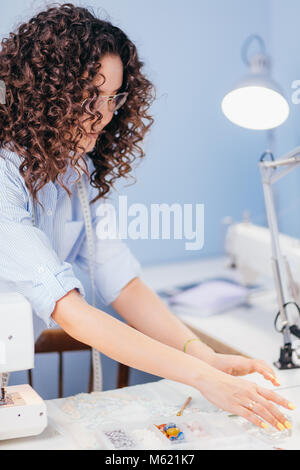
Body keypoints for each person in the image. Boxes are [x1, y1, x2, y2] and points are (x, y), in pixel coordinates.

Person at [0, 2, 294, 433]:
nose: (101, 116)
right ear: (45, 93)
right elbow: (71, 311)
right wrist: (201, 378)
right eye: (87, 98)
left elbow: (121, 280)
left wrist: (201, 353)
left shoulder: (72, 170)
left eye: (111, 98)